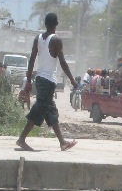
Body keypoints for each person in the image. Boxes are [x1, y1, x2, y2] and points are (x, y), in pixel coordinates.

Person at [16, 12, 77, 152]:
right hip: (48, 80)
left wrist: (29, 80)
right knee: (40, 109)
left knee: (50, 110)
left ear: (45, 24)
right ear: (56, 24)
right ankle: (22, 139)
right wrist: (72, 80)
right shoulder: (56, 40)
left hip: (39, 79)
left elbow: (32, 59)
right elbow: (62, 62)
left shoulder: (38, 38)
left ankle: (62, 142)